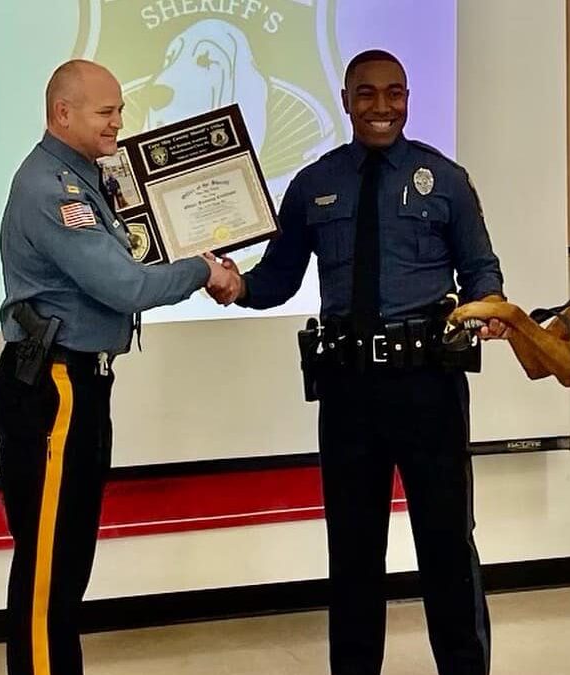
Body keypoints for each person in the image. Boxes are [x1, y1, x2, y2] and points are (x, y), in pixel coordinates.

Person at [215, 50, 506, 675]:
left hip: (430, 383)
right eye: (368, 95)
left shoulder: (445, 179)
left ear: (407, 98)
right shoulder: (313, 184)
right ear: (346, 102)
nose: (382, 107)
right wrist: (234, 286)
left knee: (447, 546)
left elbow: (482, 268)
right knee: (351, 553)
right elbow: (277, 279)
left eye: (394, 93)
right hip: (348, 389)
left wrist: (489, 307)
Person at [0, 59, 237, 675]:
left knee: (66, 561)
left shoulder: (91, 177)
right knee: (49, 569)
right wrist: (202, 271)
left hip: (79, 383)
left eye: (121, 110)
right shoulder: (54, 189)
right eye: (106, 112)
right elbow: (122, 284)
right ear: (62, 113)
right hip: (54, 387)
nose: (118, 124)